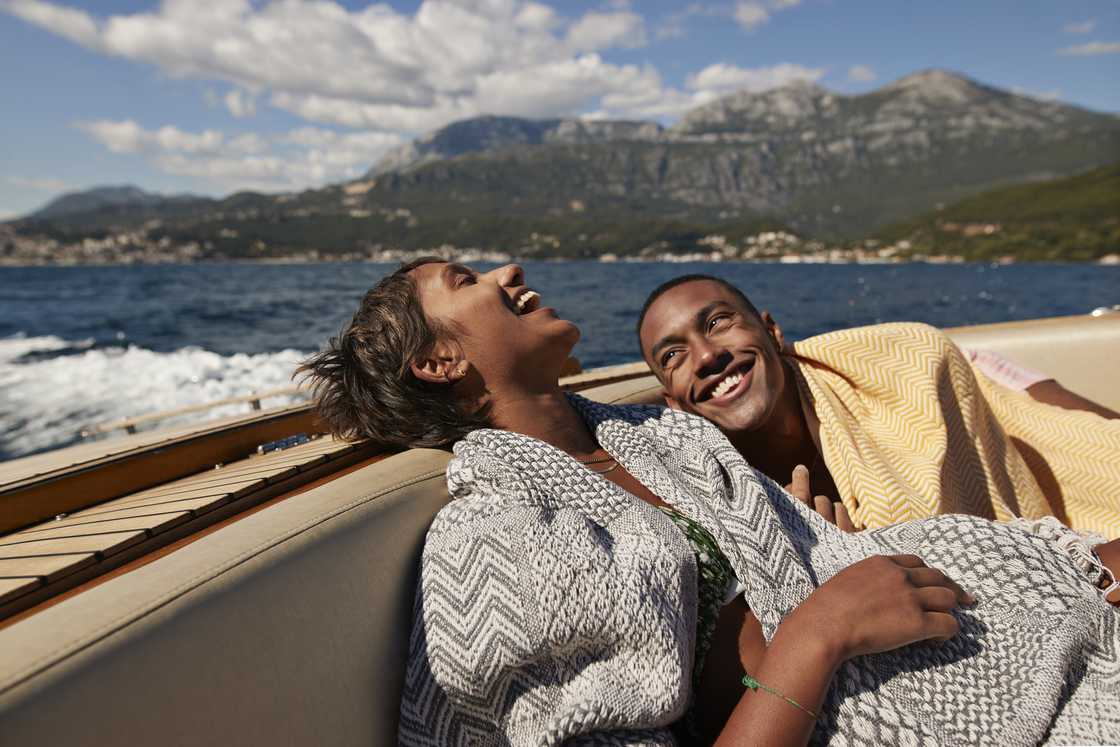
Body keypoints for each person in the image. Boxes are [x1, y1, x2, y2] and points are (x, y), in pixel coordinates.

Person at [301, 260, 1120, 746]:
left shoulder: (661, 438)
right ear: (439, 361)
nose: (508, 272)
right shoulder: (494, 537)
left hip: (978, 616)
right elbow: (806, 619)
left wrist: (823, 554)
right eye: (466, 280)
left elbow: (802, 561)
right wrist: (818, 631)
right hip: (884, 689)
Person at [637, 275, 1120, 537]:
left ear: (773, 332)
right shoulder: (702, 491)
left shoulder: (900, 369)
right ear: (673, 402)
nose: (706, 356)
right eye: (673, 355)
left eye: (719, 322)